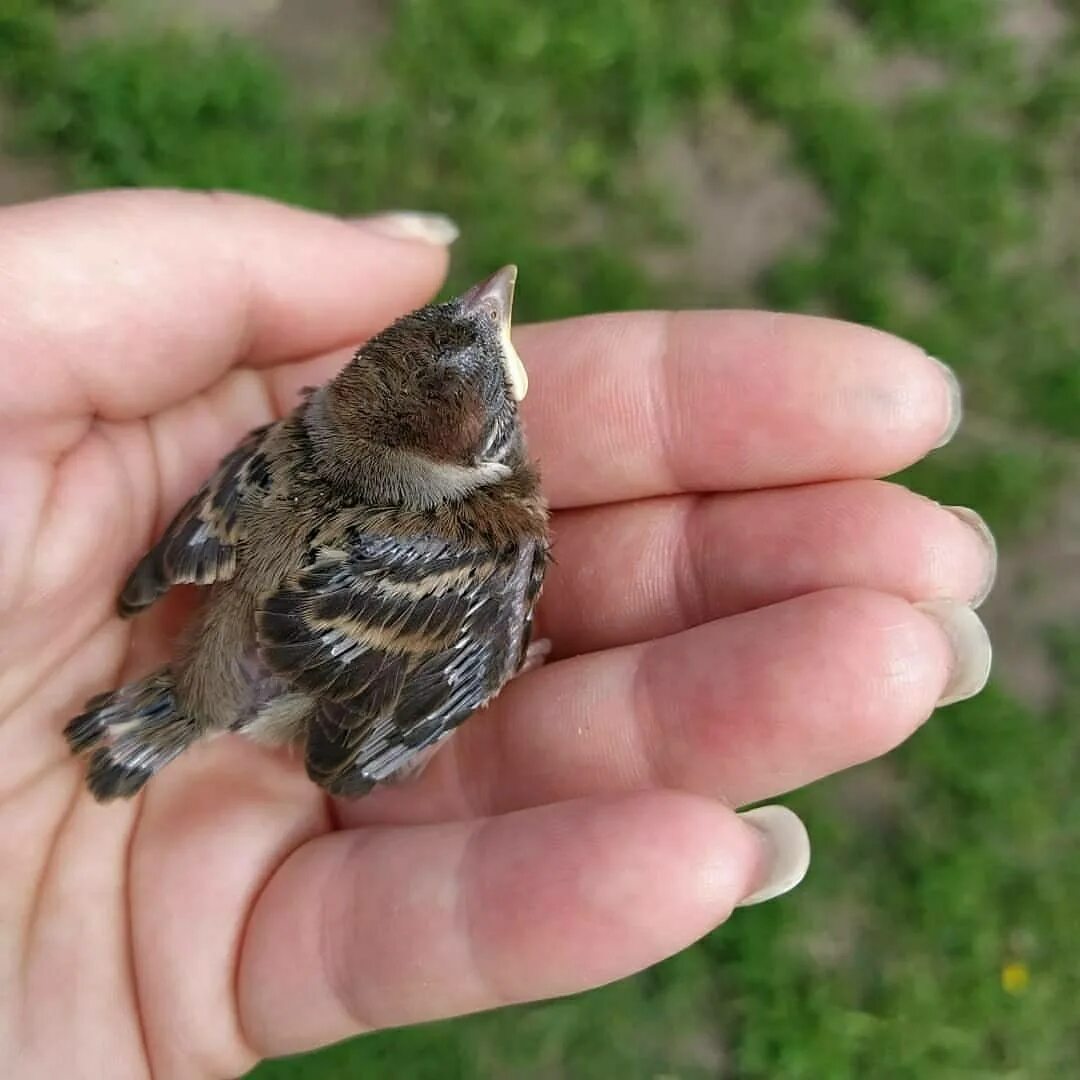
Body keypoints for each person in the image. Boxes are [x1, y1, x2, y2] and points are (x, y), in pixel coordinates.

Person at [0, 190, 993, 1076]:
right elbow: (425, 671)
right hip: (282, 675)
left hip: (242, 649)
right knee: (481, 633)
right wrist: (492, 666)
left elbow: (232, 514)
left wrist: (163, 584)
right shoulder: (477, 542)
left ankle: (170, 713)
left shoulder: (289, 442)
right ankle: (178, 715)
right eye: (470, 324)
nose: (489, 299)